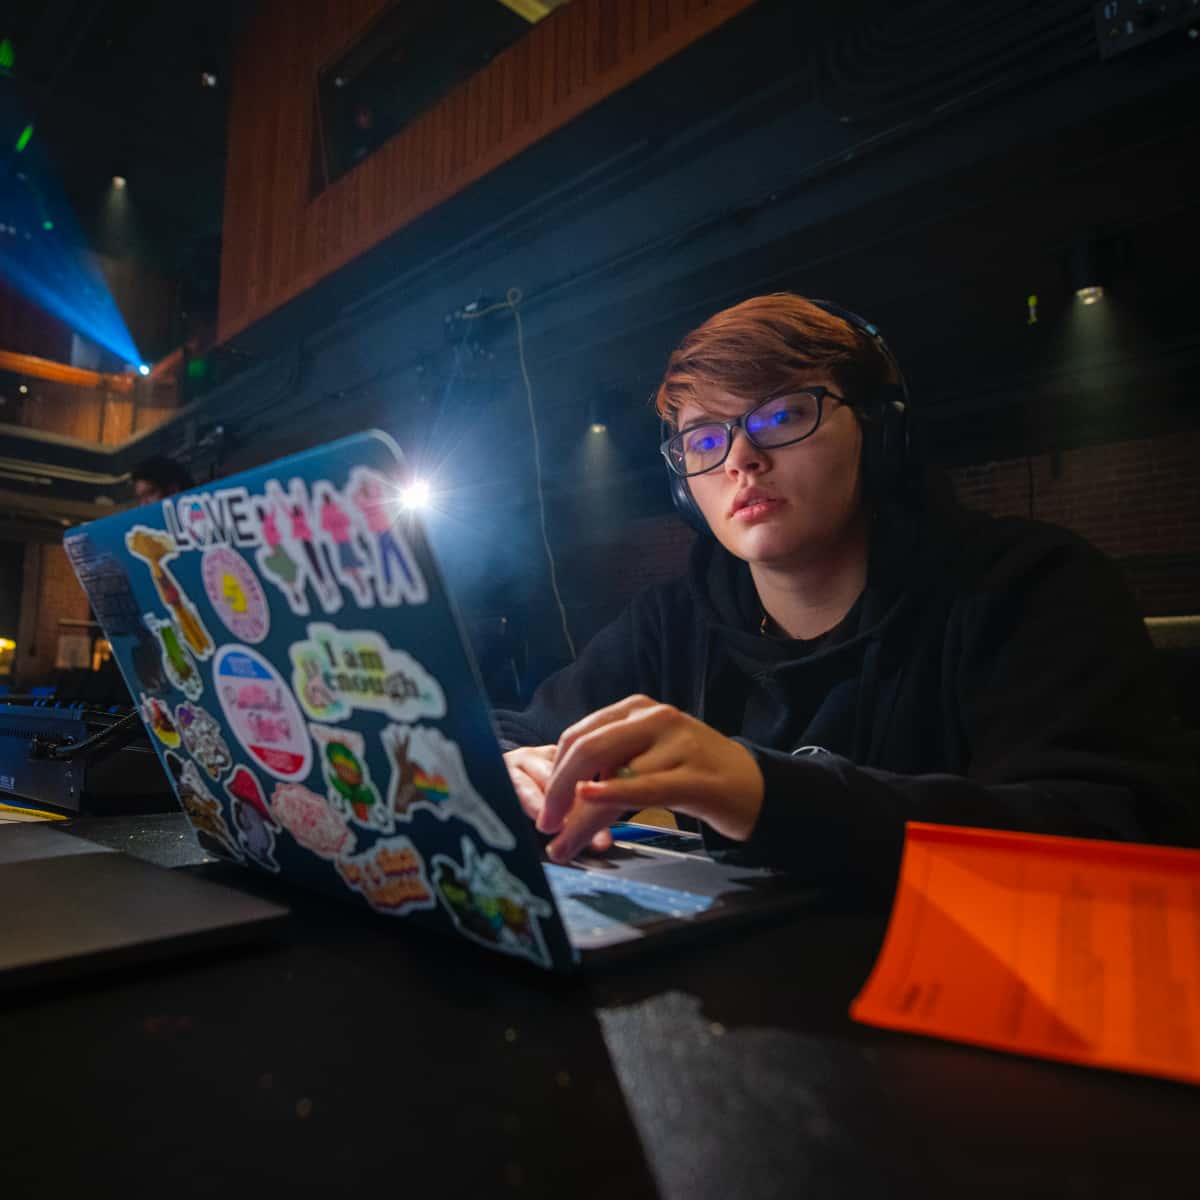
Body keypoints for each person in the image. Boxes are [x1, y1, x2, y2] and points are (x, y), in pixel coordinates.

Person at [496, 294, 1197, 893]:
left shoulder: (1030, 585)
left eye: (781, 416)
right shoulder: (670, 621)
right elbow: (515, 731)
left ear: (879, 431)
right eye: (705, 439)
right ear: (684, 487)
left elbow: (1106, 832)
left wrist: (764, 793)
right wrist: (515, 768)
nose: (741, 459)